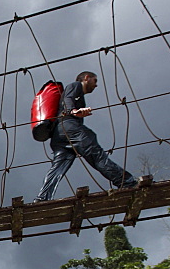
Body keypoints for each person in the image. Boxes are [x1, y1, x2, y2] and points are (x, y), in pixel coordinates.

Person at [34, 71, 137, 202]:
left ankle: (42, 197)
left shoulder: (79, 95)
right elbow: (68, 98)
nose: (96, 85)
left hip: (58, 136)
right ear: (86, 78)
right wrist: (73, 111)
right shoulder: (75, 85)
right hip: (70, 128)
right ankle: (127, 182)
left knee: (57, 168)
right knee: (97, 155)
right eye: (95, 81)